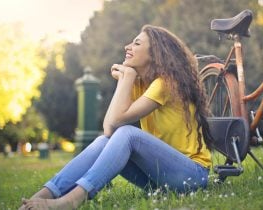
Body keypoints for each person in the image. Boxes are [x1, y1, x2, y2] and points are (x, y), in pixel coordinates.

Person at [20, 24, 212, 210]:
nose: (127, 47)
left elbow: (119, 125)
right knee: (106, 140)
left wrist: (126, 77)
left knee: (128, 133)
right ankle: (40, 197)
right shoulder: (140, 83)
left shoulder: (165, 84)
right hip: (160, 179)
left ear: (155, 53)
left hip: (192, 176)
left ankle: (72, 200)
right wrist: (127, 78)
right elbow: (109, 129)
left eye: (136, 43)